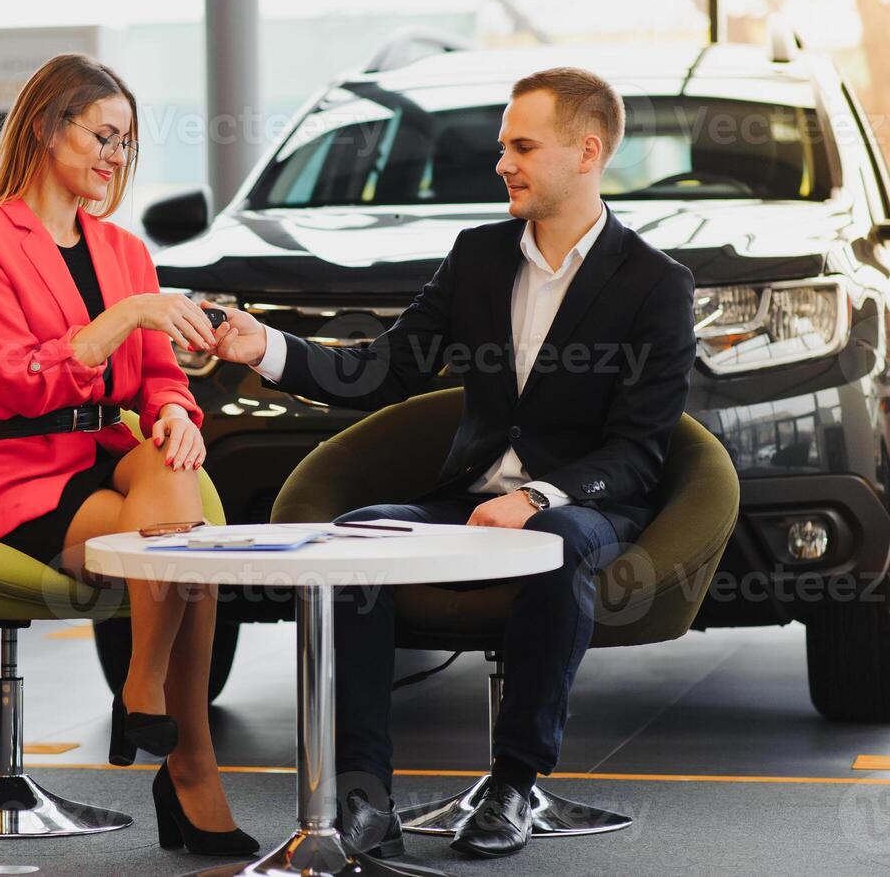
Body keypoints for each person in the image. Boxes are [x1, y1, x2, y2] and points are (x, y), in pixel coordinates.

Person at [209, 67, 696, 860]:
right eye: (503, 145)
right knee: (357, 540)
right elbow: (383, 369)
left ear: (586, 151)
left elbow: (639, 449)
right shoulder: (476, 256)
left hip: (584, 505)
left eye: (521, 146)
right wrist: (261, 346)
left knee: (555, 546)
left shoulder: (654, 285)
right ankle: (364, 794)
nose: (501, 162)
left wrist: (537, 498)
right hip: (467, 497)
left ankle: (514, 784)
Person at [0, 53, 258, 858]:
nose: (116, 156)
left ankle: (143, 687)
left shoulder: (121, 248)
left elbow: (159, 379)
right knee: (190, 560)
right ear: (48, 128)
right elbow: (13, 380)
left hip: (111, 453)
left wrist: (180, 415)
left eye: (127, 142)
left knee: (173, 469)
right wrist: (124, 319)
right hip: (26, 473)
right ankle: (189, 769)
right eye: (103, 136)